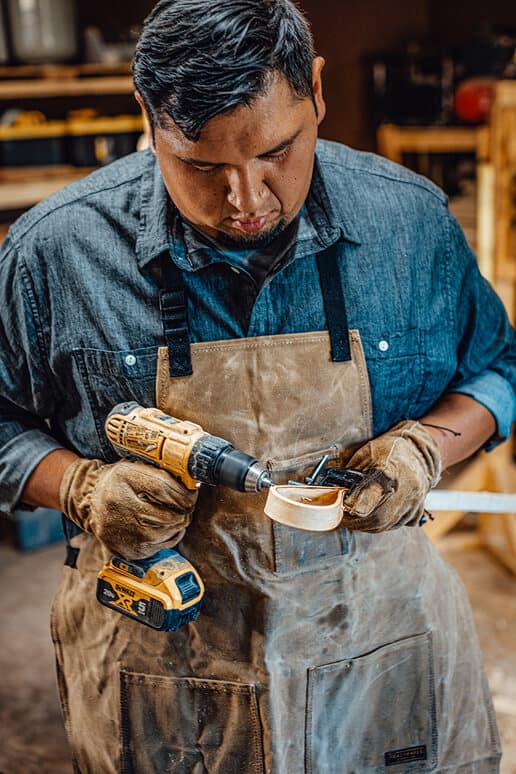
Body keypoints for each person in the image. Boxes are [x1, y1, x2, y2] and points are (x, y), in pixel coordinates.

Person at [0, 0, 514, 770]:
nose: (247, 200)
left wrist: (426, 449)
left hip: (382, 653)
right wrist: (78, 487)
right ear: (147, 116)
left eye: (278, 150)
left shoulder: (409, 224)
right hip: (163, 672)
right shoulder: (57, 255)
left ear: (315, 89)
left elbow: (498, 367)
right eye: (203, 166)